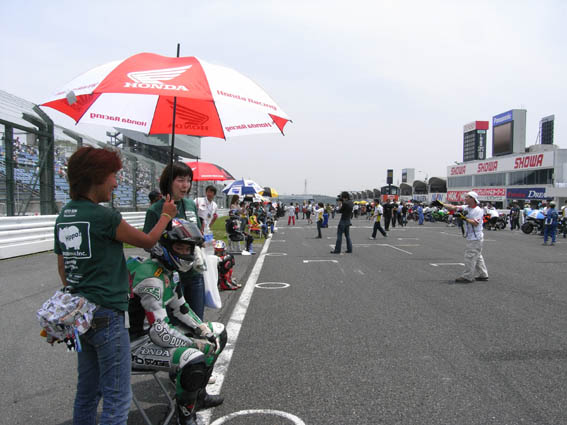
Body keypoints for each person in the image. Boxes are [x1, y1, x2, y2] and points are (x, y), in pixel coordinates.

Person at [54, 146, 177, 425]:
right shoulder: (104, 216)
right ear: (96, 176)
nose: (116, 183)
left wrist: (81, 297)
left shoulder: (64, 216)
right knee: (117, 396)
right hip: (108, 314)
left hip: (79, 315)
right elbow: (148, 242)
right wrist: (166, 215)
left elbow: (63, 268)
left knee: (87, 392)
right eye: (113, 175)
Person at [127, 219, 226, 425]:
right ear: (164, 246)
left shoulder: (168, 272)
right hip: (134, 344)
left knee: (217, 333)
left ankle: (199, 397)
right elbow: (160, 332)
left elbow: (181, 309)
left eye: (188, 248)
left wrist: (203, 331)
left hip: (152, 336)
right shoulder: (151, 278)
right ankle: (185, 417)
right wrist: (195, 344)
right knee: (193, 358)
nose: (185, 252)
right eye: (180, 247)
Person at [143, 162, 206, 320]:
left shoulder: (190, 205)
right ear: (168, 181)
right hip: (168, 278)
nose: (185, 185)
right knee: (174, 324)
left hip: (193, 274)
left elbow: (199, 235)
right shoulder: (155, 210)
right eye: (180, 180)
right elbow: (147, 243)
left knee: (197, 321)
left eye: (188, 180)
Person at [438, 192, 488, 283]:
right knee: (477, 256)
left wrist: (464, 218)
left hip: (475, 237)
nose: (465, 199)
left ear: (472, 198)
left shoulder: (478, 210)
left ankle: (467, 276)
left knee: (470, 256)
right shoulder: (466, 207)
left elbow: (475, 223)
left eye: (467, 197)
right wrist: (442, 204)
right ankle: (483, 274)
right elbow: (453, 207)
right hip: (472, 236)